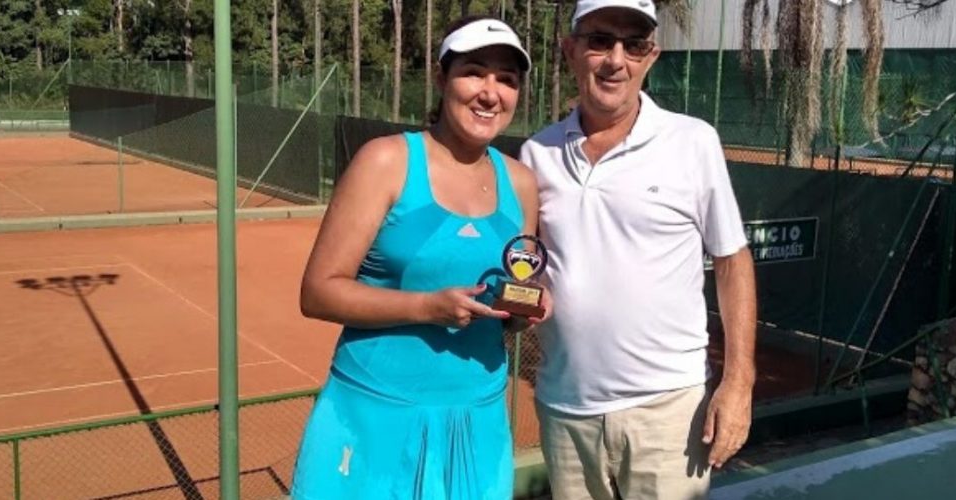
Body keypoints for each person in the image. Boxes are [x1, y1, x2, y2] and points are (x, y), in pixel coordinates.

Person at [292, 16, 545, 500]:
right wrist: (427, 307)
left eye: (507, 79)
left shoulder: (522, 183)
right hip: (374, 417)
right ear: (441, 77)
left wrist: (522, 310)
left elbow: (511, 304)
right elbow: (318, 292)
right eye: (474, 72)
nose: (490, 92)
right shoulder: (385, 160)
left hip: (479, 423)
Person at [520, 1, 757, 498]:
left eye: (634, 45)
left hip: (669, 412)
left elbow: (732, 261)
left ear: (651, 56)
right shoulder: (536, 153)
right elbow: (529, 265)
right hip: (566, 411)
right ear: (570, 50)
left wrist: (739, 382)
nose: (616, 60)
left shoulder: (693, 142)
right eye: (599, 41)